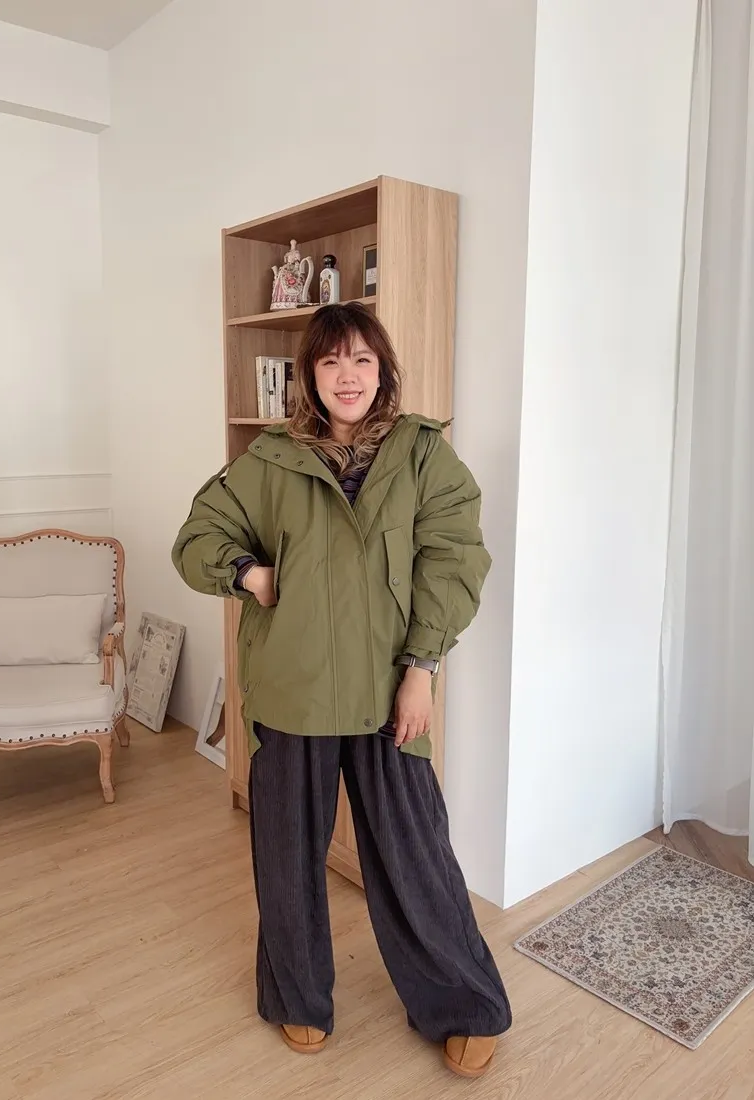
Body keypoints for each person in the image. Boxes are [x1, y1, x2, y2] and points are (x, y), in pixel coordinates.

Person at [172, 303, 512, 1078]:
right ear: (310, 376)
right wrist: (249, 573)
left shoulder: (424, 455)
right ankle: (297, 997)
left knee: (415, 854)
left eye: (361, 359)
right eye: (330, 362)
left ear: (383, 369)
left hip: (391, 690)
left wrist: (421, 669)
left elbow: (454, 564)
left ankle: (463, 1002)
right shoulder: (270, 460)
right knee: (287, 855)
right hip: (292, 689)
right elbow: (197, 538)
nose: (347, 375)